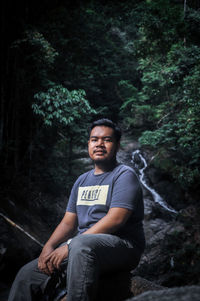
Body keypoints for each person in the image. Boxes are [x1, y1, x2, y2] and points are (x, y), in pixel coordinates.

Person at [8, 118, 145, 301]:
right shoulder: (82, 180)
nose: (100, 144)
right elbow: (68, 222)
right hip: (83, 247)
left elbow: (116, 219)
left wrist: (71, 245)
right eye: (94, 139)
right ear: (88, 143)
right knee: (28, 275)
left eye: (107, 140)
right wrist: (48, 247)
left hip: (123, 246)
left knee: (81, 246)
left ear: (117, 145)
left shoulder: (124, 175)